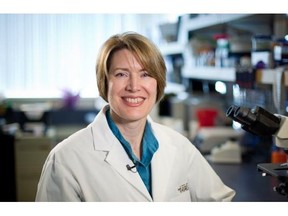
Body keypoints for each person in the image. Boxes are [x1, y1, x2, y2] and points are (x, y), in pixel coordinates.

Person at [35, 32, 235, 201]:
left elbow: (220, 201)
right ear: (104, 83)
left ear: (158, 83)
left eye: (145, 74)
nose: (133, 86)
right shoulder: (66, 159)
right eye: (121, 74)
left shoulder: (179, 146)